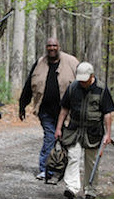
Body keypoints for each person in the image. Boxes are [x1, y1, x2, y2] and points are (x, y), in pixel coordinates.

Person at [19, 37, 79, 181]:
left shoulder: (71, 62)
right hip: (45, 110)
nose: (51, 48)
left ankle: (64, 169)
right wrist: (22, 105)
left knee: (66, 140)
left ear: (59, 46)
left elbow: (84, 84)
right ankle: (45, 169)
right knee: (50, 138)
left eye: (54, 45)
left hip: (67, 112)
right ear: (46, 47)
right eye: (49, 46)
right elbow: (29, 85)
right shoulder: (40, 63)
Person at [55, 62, 114, 199]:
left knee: (92, 162)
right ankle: (72, 188)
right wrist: (58, 128)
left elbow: (107, 113)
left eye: (85, 80)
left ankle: (90, 190)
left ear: (92, 76)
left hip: (94, 131)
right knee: (73, 157)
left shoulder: (102, 89)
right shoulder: (73, 88)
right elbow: (64, 109)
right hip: (74, 129)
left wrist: (108, 134)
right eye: (80, 79)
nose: (82, 82)